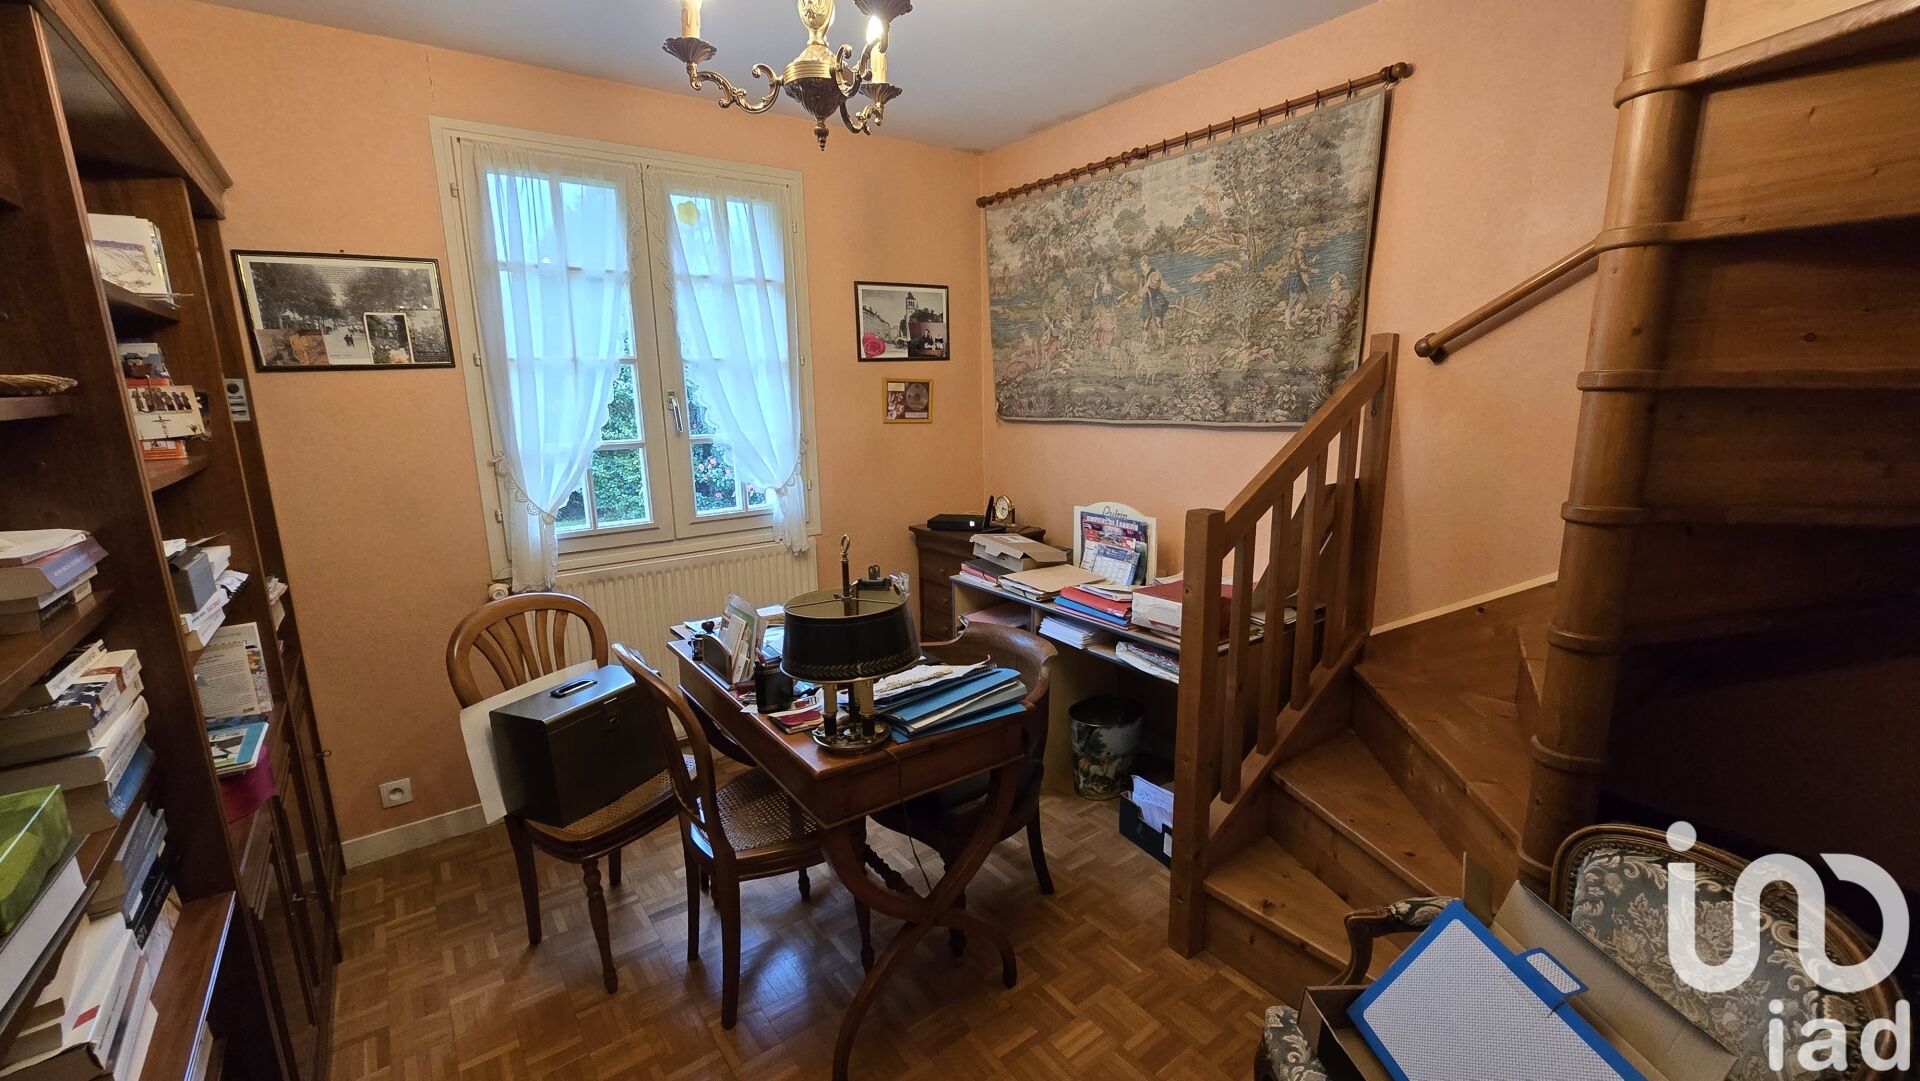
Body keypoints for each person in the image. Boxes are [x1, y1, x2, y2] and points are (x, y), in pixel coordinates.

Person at [1136, 256, 1177, 347]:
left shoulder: (1154, 272)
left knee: (1159, 323)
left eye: (1142, 265)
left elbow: (1162, 283)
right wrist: (1138, 295)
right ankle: (1143, 345)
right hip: (1147, 301)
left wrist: (1170, 289)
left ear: (1147, 263)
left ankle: (1163, 346)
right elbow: (1141, 289)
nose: (1141, 267)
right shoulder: (1142, 275)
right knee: (1145, 324)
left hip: (1156, 300)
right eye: (1141, 265)